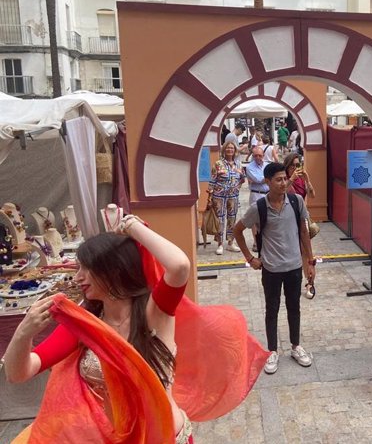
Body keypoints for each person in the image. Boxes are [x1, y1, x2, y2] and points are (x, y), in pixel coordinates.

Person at [3, 216, 268, 443]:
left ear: (113, 271)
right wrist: (23, 334)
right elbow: (19, 373)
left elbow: (179, 266)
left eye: (86, 268)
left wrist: (131, 226)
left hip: (164, 437)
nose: (77, 277)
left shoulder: (155, 312)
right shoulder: (85, 325)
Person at [233, 162, 317, 375]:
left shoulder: (296, 201)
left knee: (294, 307)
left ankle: (296, 346)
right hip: (271, 268)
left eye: (284, 179)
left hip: (294, 266)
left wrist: (310, 261)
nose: (283, 183)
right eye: (278, 180)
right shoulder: (259, 208)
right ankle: (272, 351)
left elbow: (304, 233)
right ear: (267, 182)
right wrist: (250, 258)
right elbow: (237, 230)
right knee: (272, 309)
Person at [207, 140, 244, 255]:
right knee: (220, 219)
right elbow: (212, 180)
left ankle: (230, 242)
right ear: (224, 150)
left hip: (233, 195)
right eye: (228, 148)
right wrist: (209, 197)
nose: (230, 150)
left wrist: (238, 186)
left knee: (232, 218)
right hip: (219, 196)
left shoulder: (238, 164)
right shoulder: (218, 164)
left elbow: (242, 178)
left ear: (235, 150)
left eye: (232, 148)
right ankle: (219, 244)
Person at [246, 146, 270, 251]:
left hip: (268, 194)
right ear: (253, 156)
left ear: (263, 156)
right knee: (255, 219)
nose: (258, 157)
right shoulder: (249, 167)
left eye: (260, 155)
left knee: (268, 218)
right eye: (255, 155)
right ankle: (256, 242)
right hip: (256, 194)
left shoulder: (267, 165)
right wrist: (270, 177)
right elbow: (258, 179)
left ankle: (266, 241)